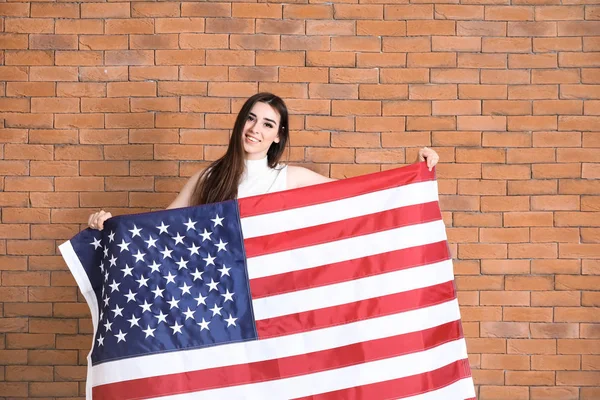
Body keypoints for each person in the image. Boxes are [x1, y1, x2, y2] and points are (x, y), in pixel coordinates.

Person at [88, 92, 439, 230]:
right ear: (241, 121)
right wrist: (111, 225)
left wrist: (416, 173)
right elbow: (162, 221)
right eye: (251, 118)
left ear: (277, 137)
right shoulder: (209, 177)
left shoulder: (291, 176)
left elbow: (358, 195)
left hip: (273, 296)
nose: (256, 129)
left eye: (268, 124)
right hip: (222, 291)